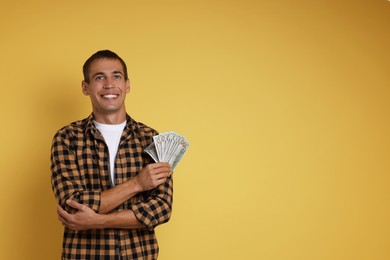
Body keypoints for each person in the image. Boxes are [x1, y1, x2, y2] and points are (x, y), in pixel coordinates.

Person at [50, 50, 173, 259]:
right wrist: (138, 184)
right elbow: (72, 205)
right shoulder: (67, 138)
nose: (109, 84)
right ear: (85, 87)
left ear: (127, 85)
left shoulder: (152, 139)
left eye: (116, 76)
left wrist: (96, 221)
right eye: (99, 77)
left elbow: (161, 208)